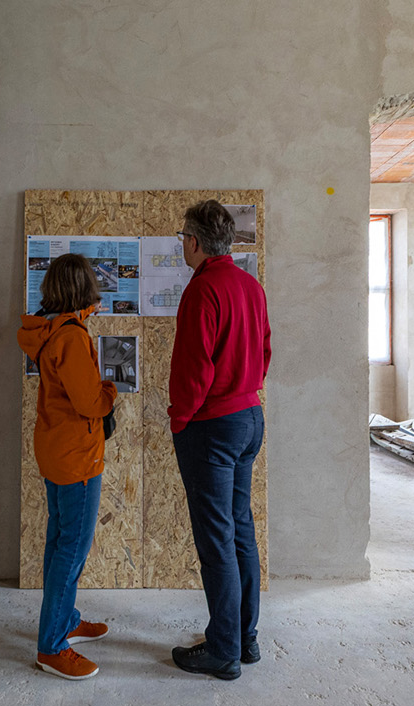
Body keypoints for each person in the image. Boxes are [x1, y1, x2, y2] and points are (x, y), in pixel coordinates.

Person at [167, 200, 272, 680]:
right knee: (239, 528)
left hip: (213, 425)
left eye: (182, 238)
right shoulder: (250, 286)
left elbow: (194, 368)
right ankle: (244, 639)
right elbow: (264, 351)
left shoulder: (202, 289)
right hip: (250, 416)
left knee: (216, 539)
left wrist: (180, 420)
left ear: (193, 241)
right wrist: (244, 389)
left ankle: (224, 650)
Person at [18, 254, 117, 680]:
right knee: (71, 549)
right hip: (78, 457)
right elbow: (90, 402)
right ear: (83, 288)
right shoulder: (72, 337)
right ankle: (52, 646)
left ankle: (65, 619)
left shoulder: (53, 330)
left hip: (57, 450)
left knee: (60, 541)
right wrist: (110, 390)